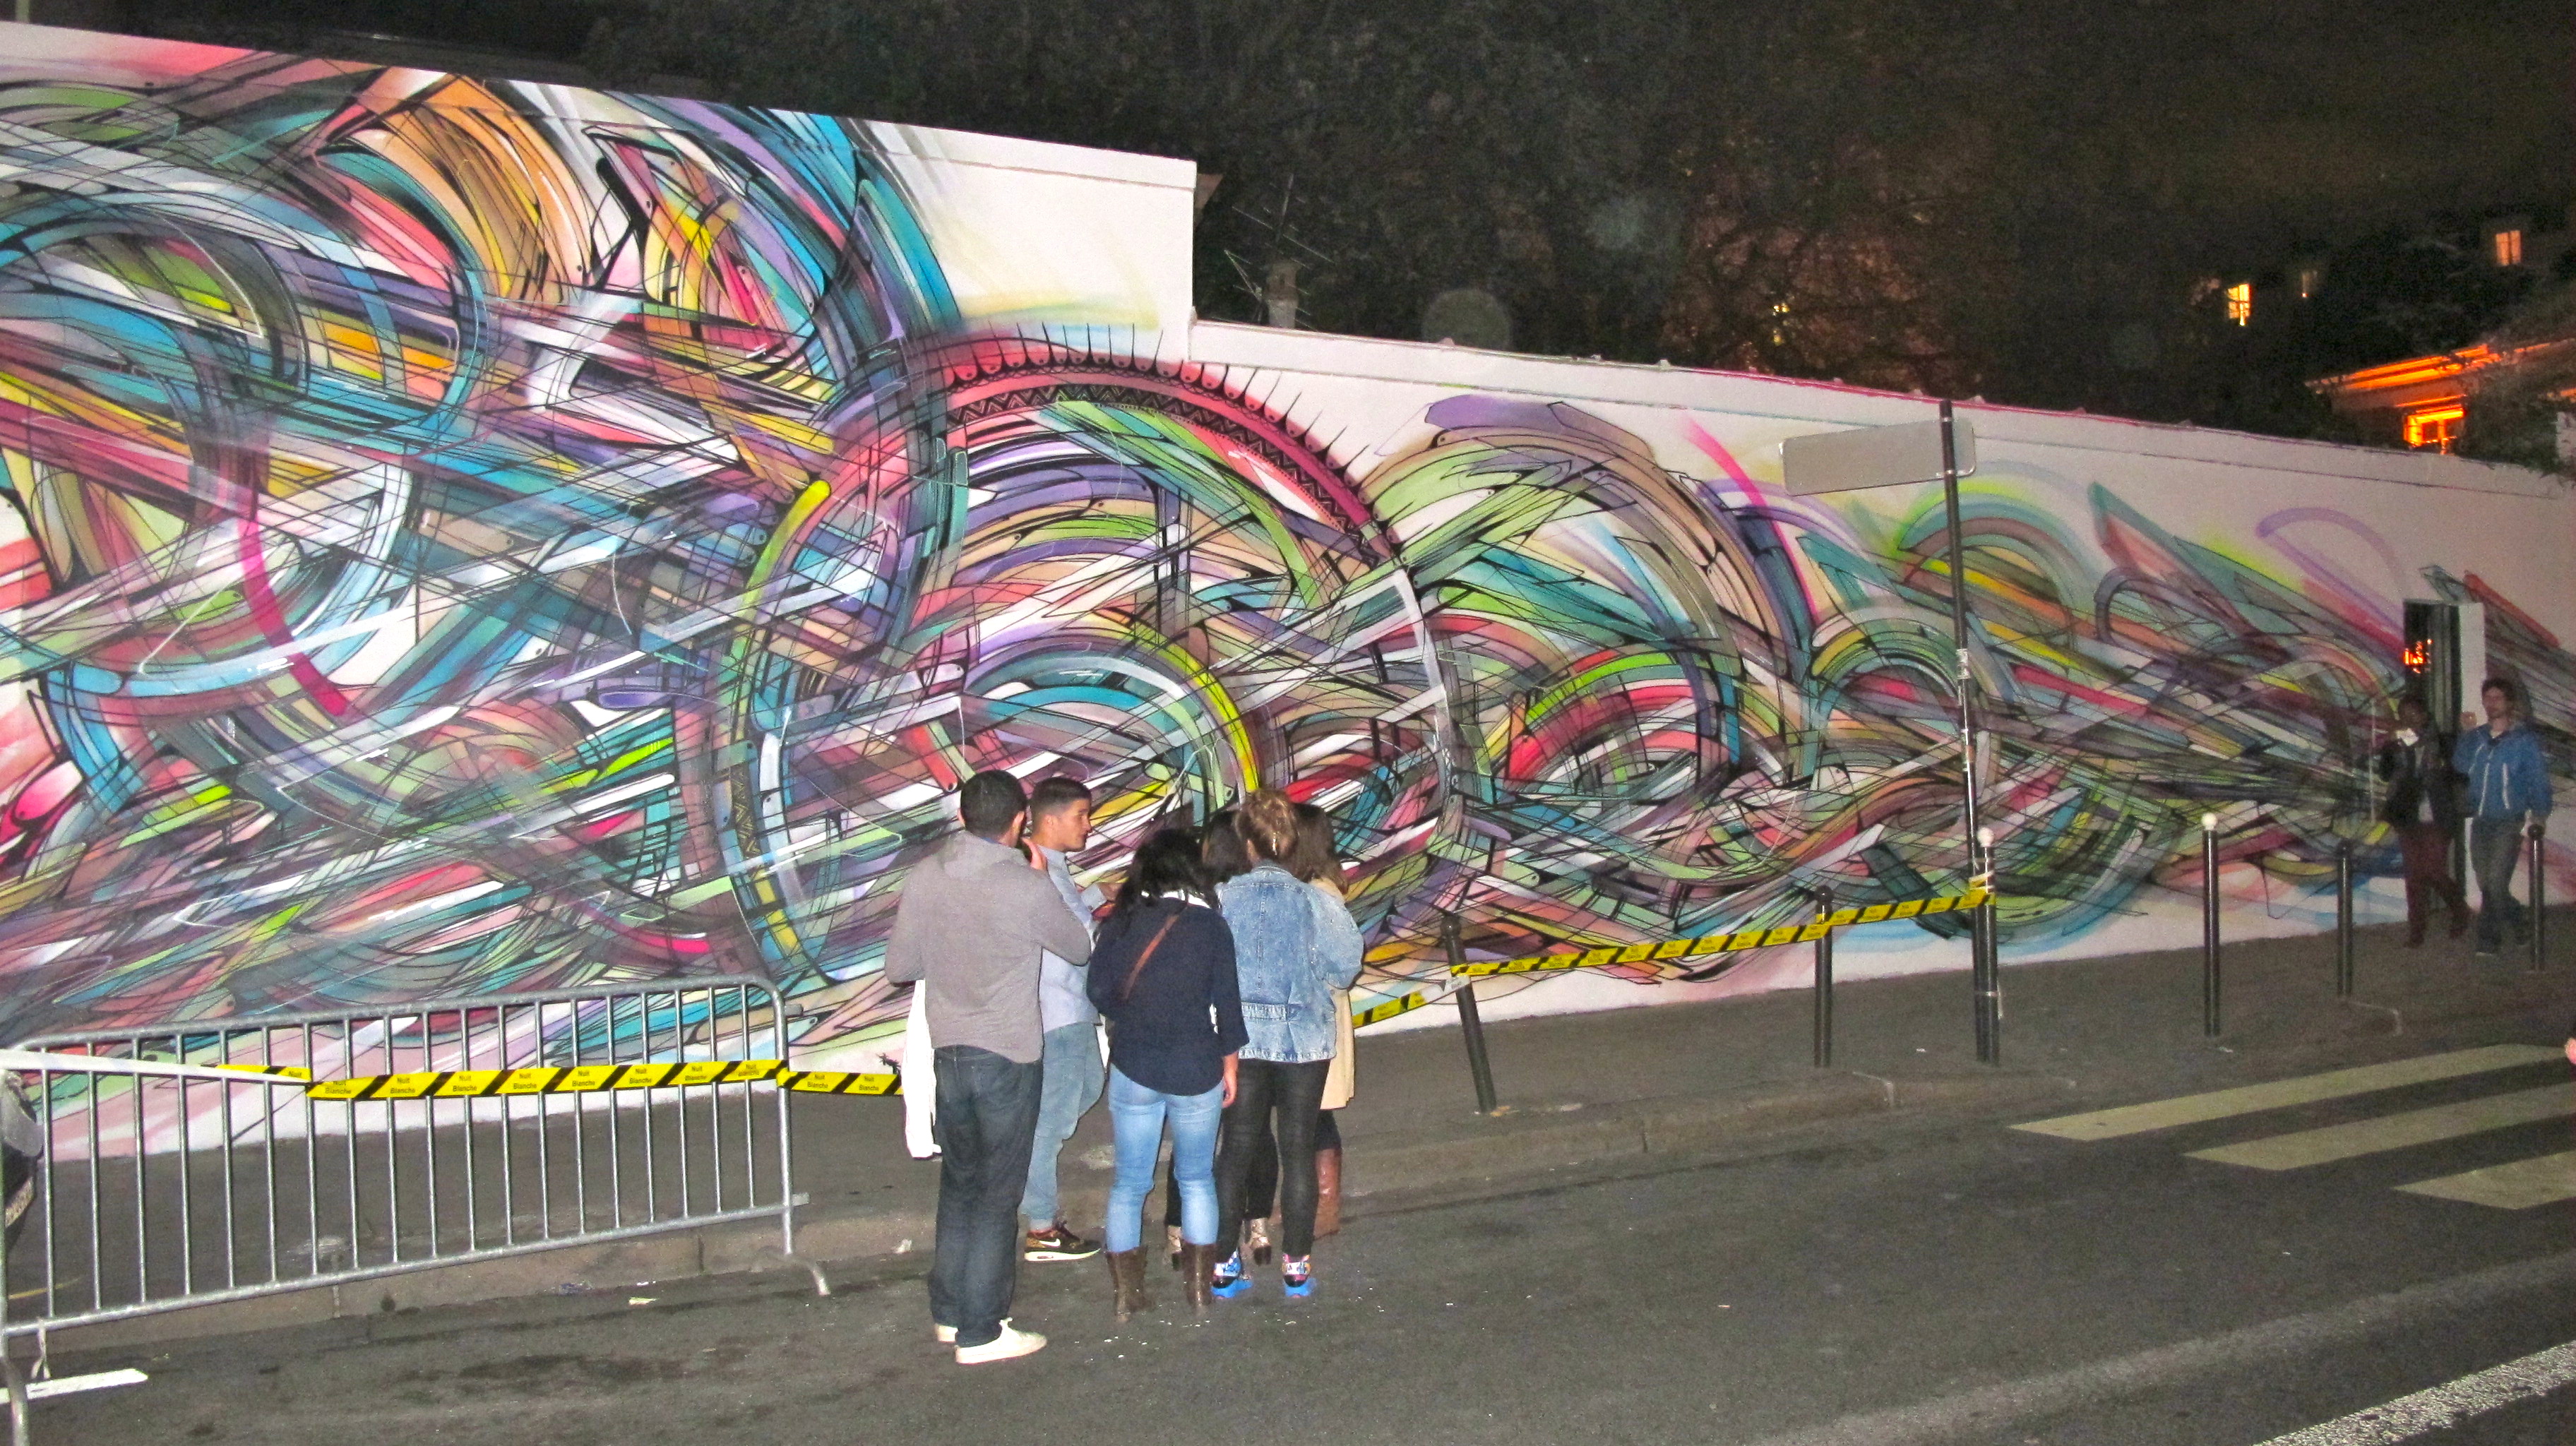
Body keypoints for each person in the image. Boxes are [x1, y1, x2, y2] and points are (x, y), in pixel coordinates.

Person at [883, 770, 1095, 1364]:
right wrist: (1040, 886)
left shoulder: (926, 875)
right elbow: (1079, 948)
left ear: (961, 816)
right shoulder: (1025, 885)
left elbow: (901, 967)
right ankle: (982, 1331)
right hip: (1008, 1054)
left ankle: (949, 1313)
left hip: (949, 1051)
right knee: (999, 1195)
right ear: (1020, 821)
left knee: (961, 1186)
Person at [1208, 789, 1363, 1300]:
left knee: (1236, 1149)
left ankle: (1224, 1264)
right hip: (1304, 1038)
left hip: (1240, 1040)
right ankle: (1297, 1266)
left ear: (1247, 844)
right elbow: (1344, 968)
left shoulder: (1222, 899)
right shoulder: (1316, 898)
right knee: (1298, 1148)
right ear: (1292, 841)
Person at [1086, 827, 1246, 1320]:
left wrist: (1133, 1016)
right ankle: (1199, 1291)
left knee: (1129, 1183)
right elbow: (1228, 1004)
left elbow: (1098, 992)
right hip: (1196, 1065)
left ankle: (1126, 1295)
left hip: (1135, 1063)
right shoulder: (1210, 926)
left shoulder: (1120, 922)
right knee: (1196, 1178)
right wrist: (1230, 1064)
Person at [1018, 775, 1107, 1264]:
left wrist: (1095, 897)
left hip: (1072, 1006)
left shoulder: (1051, 867)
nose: (1088, 825)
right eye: (1081, 815)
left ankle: (1032, 1183)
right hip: (1057, 1010)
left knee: (1087, 1087)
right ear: (1050, 820)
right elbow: (1073, 938)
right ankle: (1041, 1226)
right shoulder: (1038, 870)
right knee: (1050, 1121)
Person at [2453, 676, 2552, 959]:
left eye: (2497, 698)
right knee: (2486, 883)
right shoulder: (2477, 737)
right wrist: (2465, 735)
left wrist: (2540, 813)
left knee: (2495, 881)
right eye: (2488, 698)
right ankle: (2519, 920)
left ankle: (2488, 938)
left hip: (2509, 820)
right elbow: (2460, 765)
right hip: (2481, 820)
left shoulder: (2523, 741)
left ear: (2509, 702)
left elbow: (2537, 779)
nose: (2491, 703)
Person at [2377, 695, 2469, 946]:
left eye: (2413, 715)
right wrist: (2390, 747)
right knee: (2414, 875)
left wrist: (2441, 767)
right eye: (2403, 716)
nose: (2409, 721)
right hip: (2407, 815)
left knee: (2433, 871)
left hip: (2437, 814)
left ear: (2425, 716)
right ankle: (2416, 929)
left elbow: (2460, 774)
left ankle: (2459, 909)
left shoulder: (2443, 742)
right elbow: (2385, 775)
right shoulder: (2398, 743)